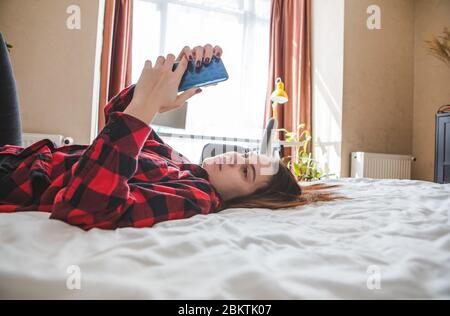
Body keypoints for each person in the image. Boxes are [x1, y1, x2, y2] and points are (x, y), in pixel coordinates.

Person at [0, 42, 340, 231]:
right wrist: (165, 93)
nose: (235, 157)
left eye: (246, 171)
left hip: (14, 179)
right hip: (18, 153)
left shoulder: (194, 197)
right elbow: (116, 116)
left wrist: (144, 111)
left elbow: (86, 208)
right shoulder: (183, 166)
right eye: (246, 154)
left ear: (244, 201)